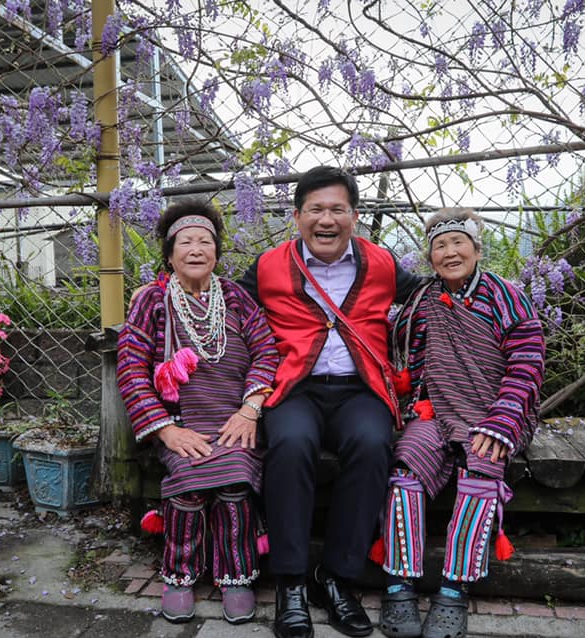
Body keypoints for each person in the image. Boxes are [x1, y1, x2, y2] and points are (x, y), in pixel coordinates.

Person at [239, 166, 424, 638]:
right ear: (297, 216)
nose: (327, 219)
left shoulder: (381, 262)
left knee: (371, 443)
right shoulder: (267, 266)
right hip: (294, 388)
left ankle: (337, 577)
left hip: (359, 389)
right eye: (316, 209)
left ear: (354, 216)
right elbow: (225, 303)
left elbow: (430, 293)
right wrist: (160, 292)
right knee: (291, 443)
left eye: (337, 209)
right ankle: (292, 581)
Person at [377, 209, 545, 638]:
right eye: (439, 246)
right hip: (436, 411)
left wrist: (503, 420)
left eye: (458, 243)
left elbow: (527, 363)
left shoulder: (505, 295)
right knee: (404, 470)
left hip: (494, 415)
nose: (450, 253)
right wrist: (414, 402)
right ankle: (400, 582)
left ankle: (454, 588)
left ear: (476, 247)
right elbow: (406, 354)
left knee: (480, 472)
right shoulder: (422, 301)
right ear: (429, 256)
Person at [117, 200, 279, 625]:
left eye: (205, 241)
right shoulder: (150, 300)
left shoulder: (237, 298)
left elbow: (266, 350)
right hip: (182, 424)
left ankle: (237, 574)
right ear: (169, 255)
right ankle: (179, 574)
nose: (196, 249)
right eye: (185, 241)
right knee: (188, 484)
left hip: (235, 424)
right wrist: (166, 430)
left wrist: (250, 408)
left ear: (217, 253)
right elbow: (131, 369)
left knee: (235, 484)